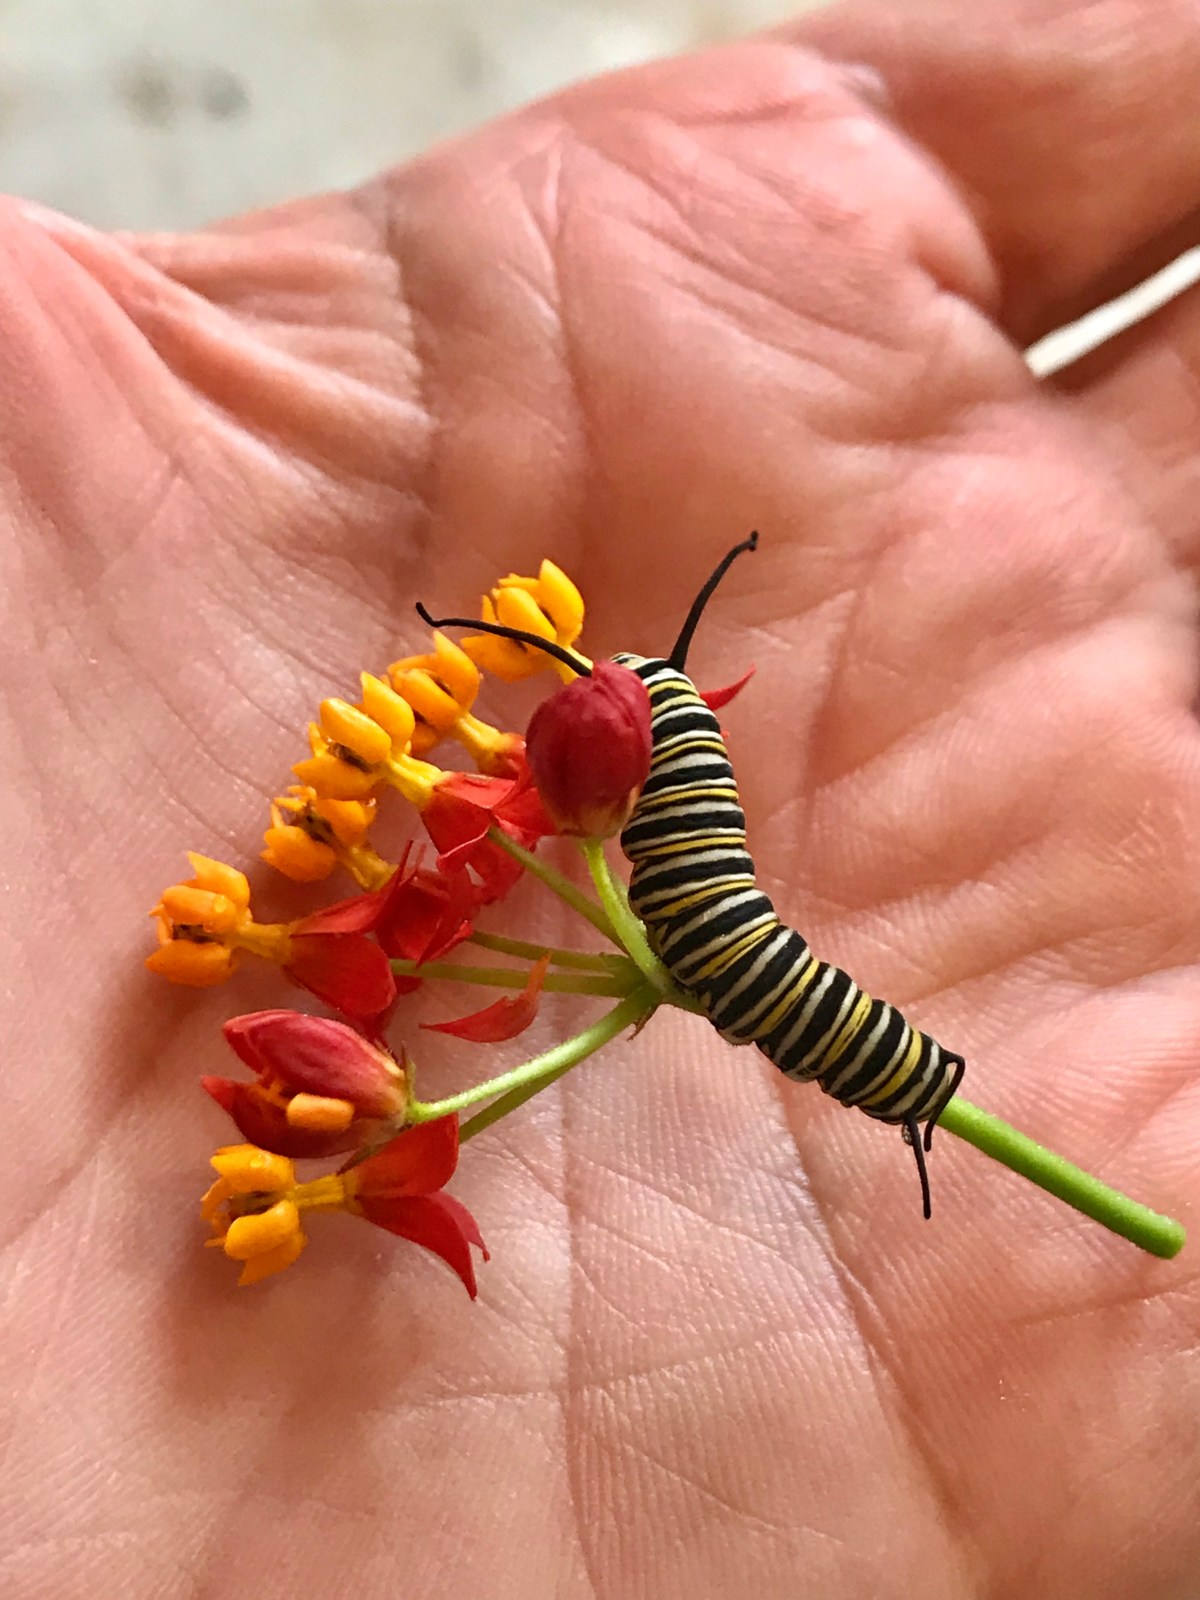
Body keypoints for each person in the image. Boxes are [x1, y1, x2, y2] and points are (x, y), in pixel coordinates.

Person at [5, 1, 1198, 1594]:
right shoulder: (608, 870)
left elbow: (705, 935)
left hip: (754, 991)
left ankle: (909, 1080)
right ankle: (907, 1082)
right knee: (746, 960)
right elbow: (693, 936)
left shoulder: (626, 860)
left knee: (757, 965)